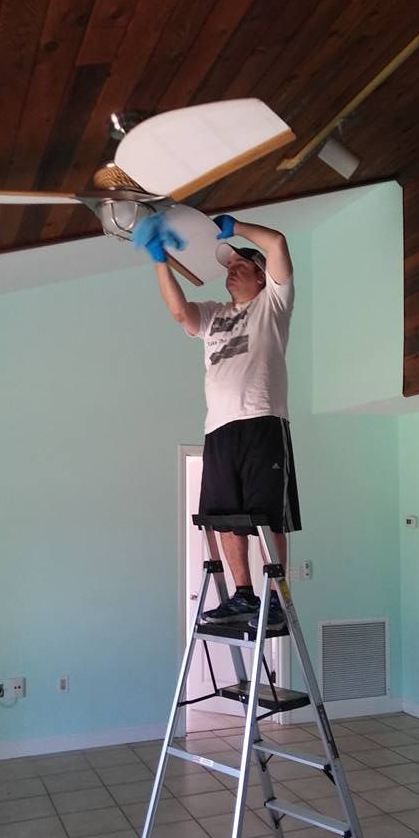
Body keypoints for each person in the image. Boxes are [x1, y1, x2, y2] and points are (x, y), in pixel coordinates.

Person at [133, 211, 301, 629]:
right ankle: (244, 597)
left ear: (261, 277)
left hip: (263, 422)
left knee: (267, 516)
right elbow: (178, 313)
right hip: (219, 431)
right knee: (226, 517)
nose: (232, 271)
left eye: (242, 265)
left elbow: (277, 243)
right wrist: (159, 260)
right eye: (229, 265)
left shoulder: (273, 305)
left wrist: (237, 228)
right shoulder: (214, 315)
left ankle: (276, 598)